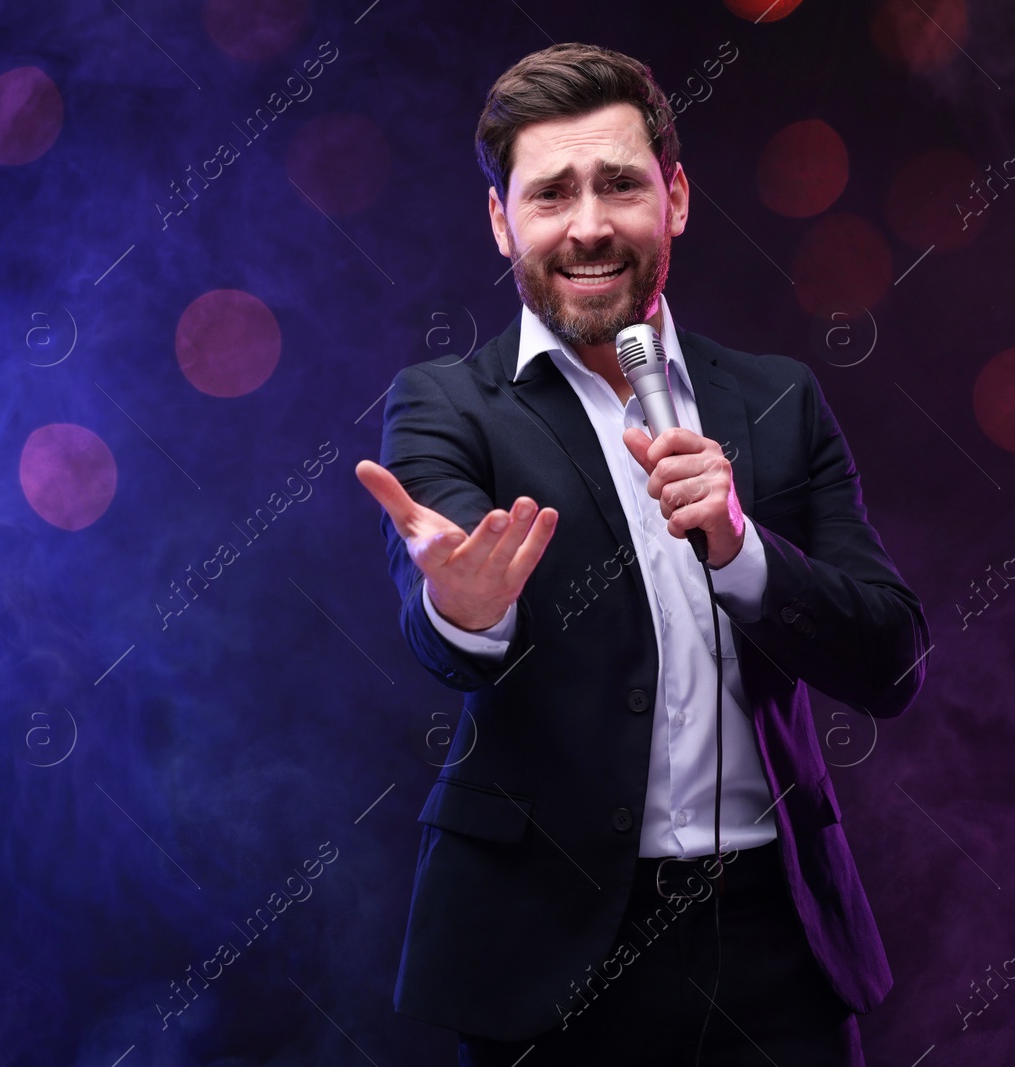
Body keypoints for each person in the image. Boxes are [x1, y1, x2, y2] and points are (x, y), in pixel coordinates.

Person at [356, 42, 929, 1067]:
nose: (587, 226)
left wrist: (742, 547)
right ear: (501, 222)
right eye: (550, 193)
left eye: (619, 184)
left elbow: (890, 657)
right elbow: (439, 616)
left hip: (776, 938)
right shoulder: (446, 404)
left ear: (675, 198)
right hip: (547, 945)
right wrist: (464, 607)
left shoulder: (777, 396)